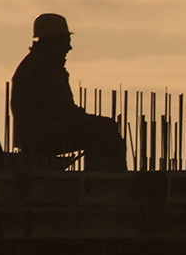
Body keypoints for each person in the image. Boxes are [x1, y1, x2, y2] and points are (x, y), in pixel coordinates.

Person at [11, 13, 127, 171]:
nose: (69, 48)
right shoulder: (38, 68)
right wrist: (79, 115)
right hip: (42, 136)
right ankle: (105, 179)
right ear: (53, 42)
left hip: (47, 131)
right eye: (66, 42)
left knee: (104, 127)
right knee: (104, 128)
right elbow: (53, 109)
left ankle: (105, 175)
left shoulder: (46, 66)